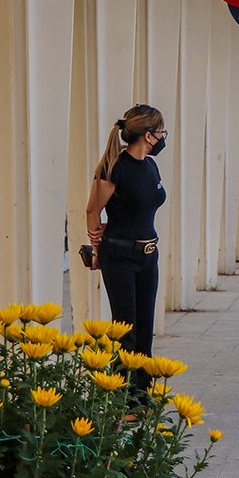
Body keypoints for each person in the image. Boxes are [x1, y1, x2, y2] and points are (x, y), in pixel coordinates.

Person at [86, 105, 167, 367]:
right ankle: (123, 387)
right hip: (120, 255)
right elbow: (92, 210)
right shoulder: (114, 168)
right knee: (125, 330)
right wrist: (96, 250)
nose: (162, 138)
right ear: (148, 135)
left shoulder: (151, 166)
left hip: (148, 255)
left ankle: (142, 389)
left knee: (145, 328)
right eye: (161, 132)